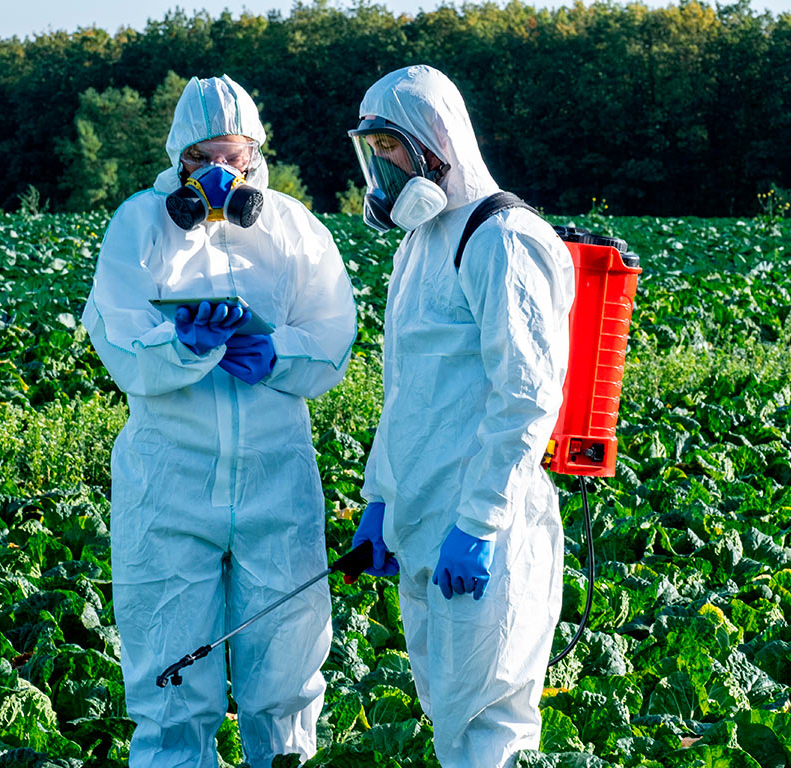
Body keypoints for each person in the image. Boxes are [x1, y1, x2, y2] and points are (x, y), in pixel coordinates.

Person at [82, 74, 357, 768]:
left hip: (276, 484)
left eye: (234, 157)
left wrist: (276, 353)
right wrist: (181, 345)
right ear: (178, 158)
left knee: (287, 685)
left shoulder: (294, 228)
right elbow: (116, 337)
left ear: (256, 156)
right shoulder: (139, 225)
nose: (219, 173)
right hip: (168, 484)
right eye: (203, 158)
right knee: (171, 689)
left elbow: (332, 336)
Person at [347, 65, 575, 767]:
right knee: (453, 723)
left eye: (389, 147)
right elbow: (408, 394)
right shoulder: (420, 245)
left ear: (434, 145)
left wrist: (478, 523)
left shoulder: (501, 236)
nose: (380, 166)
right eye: (371, 150)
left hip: (485, 536)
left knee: (491, 733)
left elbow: (527, 396)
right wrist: (380, 499)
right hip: (422, 525)